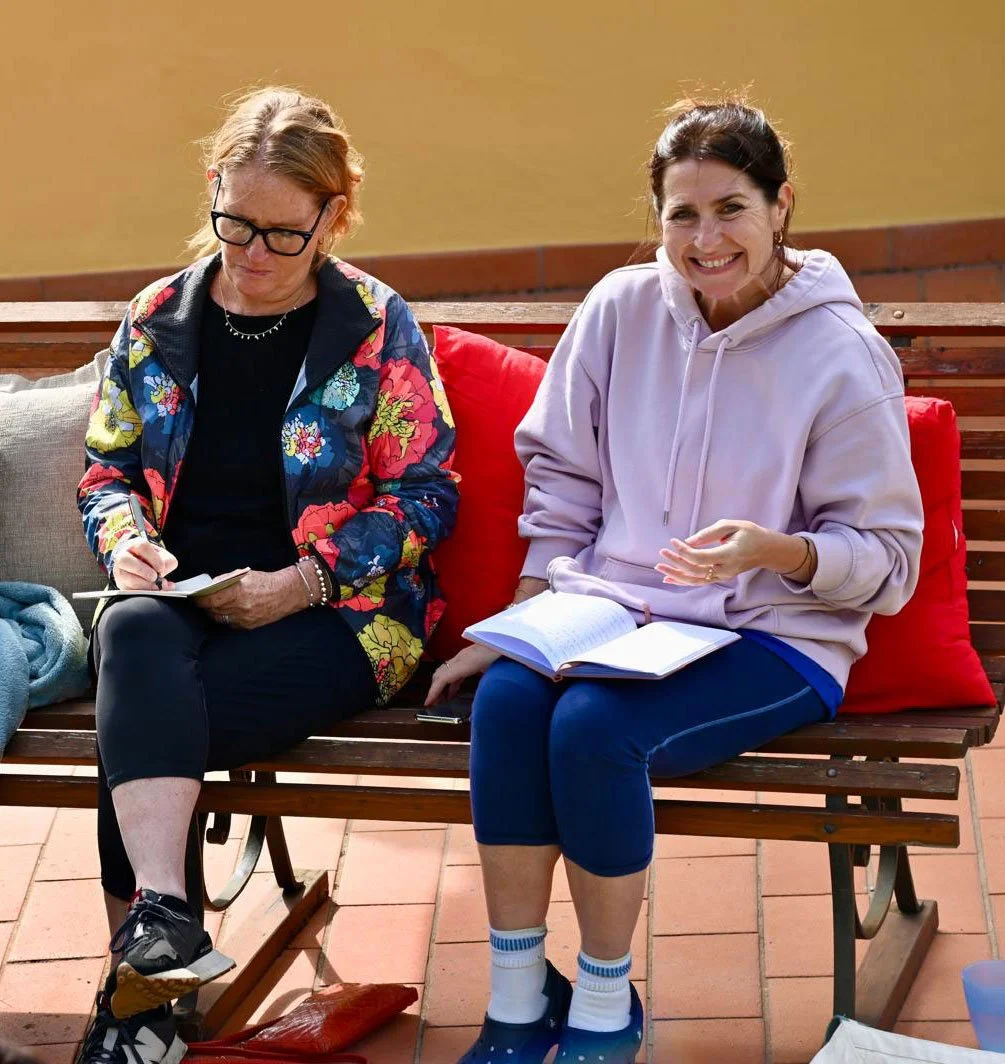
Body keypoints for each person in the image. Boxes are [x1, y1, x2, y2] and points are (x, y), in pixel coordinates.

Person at [426, 97, 924, 1064]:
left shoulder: (841, 354)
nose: (705, 241)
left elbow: (887, 563)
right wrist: (521, 624)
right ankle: (518, 997)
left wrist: (776, 551)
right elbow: (563, 480)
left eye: (730, 209)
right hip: (611, 612)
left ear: (781, 206)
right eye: (681, 215)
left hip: (774, 635)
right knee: (508, 705)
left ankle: (604, 1004)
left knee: (593, 731)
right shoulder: (619, 309)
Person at [76, 86, 458, 1064]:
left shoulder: (373, 324)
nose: (252, 253)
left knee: (140, 725)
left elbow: (427, 495)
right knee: (130, 630)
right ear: (213, 188)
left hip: (342, 615)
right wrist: (126, 541)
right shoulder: (157, 318)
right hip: (185, 600)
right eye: (235, 222)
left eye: (283, 234)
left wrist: (305, 581)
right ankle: (165, 923)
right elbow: (108, 470)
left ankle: (140, 1001)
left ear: (335, 215)